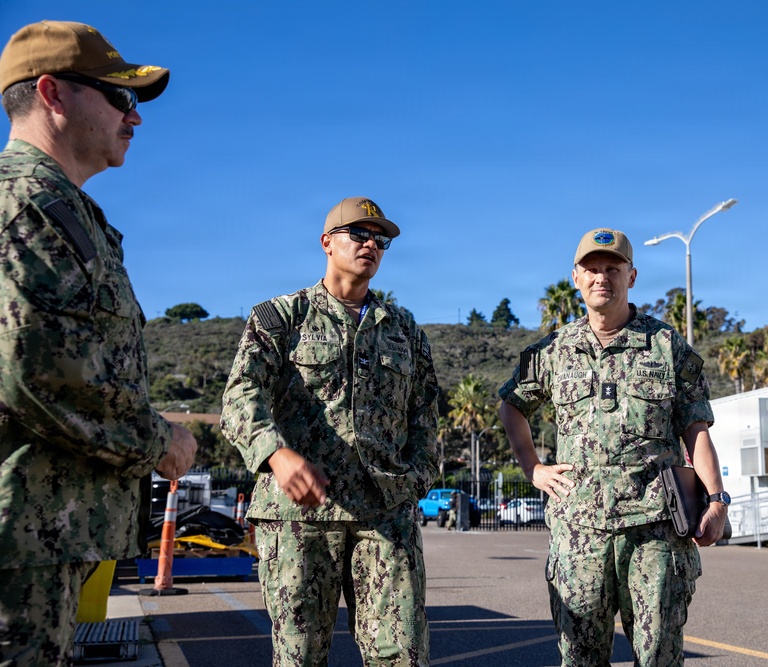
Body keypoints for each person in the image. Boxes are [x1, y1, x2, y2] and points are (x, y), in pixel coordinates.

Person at [0, 20, 198, 666]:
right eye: (120, 98)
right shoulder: (23, 204)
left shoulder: (62, 210)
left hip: (41, 539)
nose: (134, 118)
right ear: (53, 94)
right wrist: (157, 440)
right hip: (15, 541)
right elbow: (36, 366)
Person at [221, 196, 440, 667]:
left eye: (380, 240)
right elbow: (240, 399)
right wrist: (276, 455)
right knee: (299, 656)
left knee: (402, 655)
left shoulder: (403, 331)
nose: (371, 245)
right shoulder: (280, 318)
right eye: (359, 235)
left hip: (384, 515)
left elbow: (425, 418)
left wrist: (414, 482)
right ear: (326, 243)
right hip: (299, 518)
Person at [498, 228, 729, 667]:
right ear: (576, 278)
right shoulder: (554, 350)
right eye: (592, 270)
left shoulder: (666, 346)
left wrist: (716, 501)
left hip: (654, 528)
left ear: (632, 276)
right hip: (580, 530)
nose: (602, 277)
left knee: (659, 654)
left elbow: (696, 430)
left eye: (613, 269)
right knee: (581, 656)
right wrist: (533, 468)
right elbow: (513, 406)